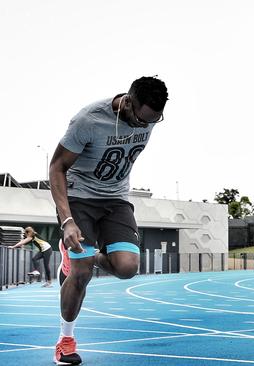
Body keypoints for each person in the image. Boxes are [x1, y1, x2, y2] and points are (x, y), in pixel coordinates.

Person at [49, 76, 168, 365]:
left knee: (127, 268)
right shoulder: (88, 120)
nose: (145, 125)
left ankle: (89, 256)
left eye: (152, 121)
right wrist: (67, 222)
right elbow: (56, 167)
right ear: (127, 102)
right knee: (81, 272)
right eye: (140, 119)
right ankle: (65, 341)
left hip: (115, 198)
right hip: (80, 198)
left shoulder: (150, 116)